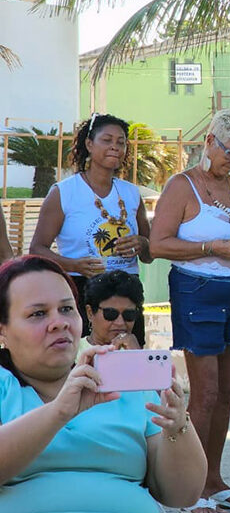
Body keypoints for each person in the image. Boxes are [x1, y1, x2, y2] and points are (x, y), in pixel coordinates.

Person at [0, 255, 206, 513]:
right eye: (38, 313)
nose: (59, 323)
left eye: (66, 309)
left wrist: (178, 427)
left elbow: (182, 495)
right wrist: (59, 411)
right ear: (2, 331)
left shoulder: (124, 382)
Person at [149, 108, 230, 513]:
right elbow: (157, 244)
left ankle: (214, 479)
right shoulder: (182, 186)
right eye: (229, 152)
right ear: (209, 142)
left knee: (227, 395)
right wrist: (210, 248)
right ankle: (190, 486)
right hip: (196, 291)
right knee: (204, 395)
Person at [31, 113, 153, 342]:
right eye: (107, 140)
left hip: (127, 292)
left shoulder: (131, 193)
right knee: (84, 363)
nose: (115, 147)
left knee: (129, 361)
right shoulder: (64, 192)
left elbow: (149, 255)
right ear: (89, 144)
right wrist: (74, 265)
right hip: (83, 289)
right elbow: (37, 249)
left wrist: (143, 243)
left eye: (121, 142)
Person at [81, 270, 144, 352]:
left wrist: (137, 355)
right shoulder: (70, 351)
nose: (120, 323)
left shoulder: (137, 353)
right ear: (90, 313)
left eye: (129, 314)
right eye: (111, 314)